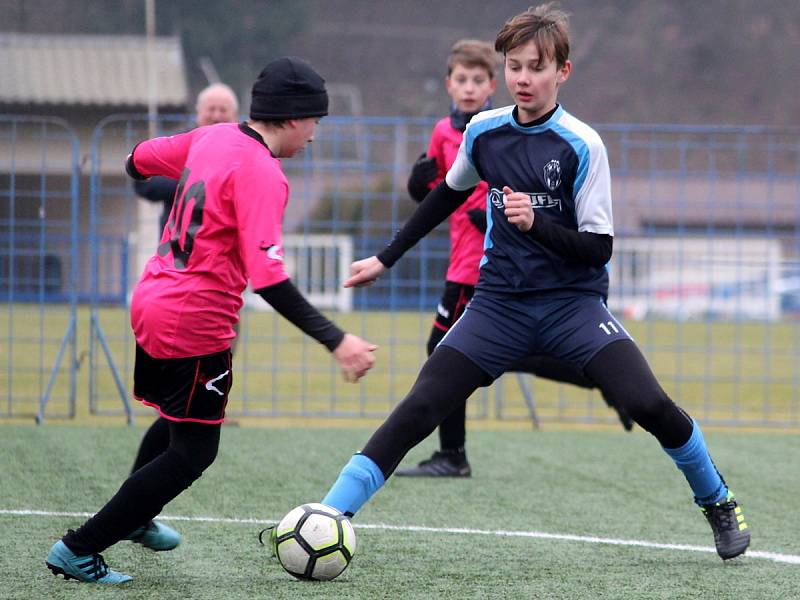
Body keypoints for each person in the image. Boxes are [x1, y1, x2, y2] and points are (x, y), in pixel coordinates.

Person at [316, 4, 750, 562]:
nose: (523, 78)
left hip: (573, 305)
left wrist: (535, 223)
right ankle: (329, 513)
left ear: (562, 72)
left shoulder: (582, 145)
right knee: (420, 405)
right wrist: (386, 258)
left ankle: (717, 499)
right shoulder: (484, 132)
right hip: (498, 305)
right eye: (514, 66)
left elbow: (600, 248)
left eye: (536, 67)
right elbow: (445, 195)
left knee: (647, 402)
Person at [45, 56, 378, 584]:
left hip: (153, 298)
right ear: (293, 118)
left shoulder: (214, 137)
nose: (315, 135)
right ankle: (78, 547)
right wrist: (337, 341)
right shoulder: (265, 173)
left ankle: (137, 517)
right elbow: (269, 280)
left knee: (179, 419)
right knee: (196, 450)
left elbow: (137, 161)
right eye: (316, 121)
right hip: (195, 319)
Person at [397, 39, 631, 478]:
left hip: (489, 266)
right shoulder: (449, 133)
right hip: (459, 258)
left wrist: (496, 220)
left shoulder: (505, 132)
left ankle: (454, 454)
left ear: (491, 88)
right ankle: (596, 377)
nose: (468, 88)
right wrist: (415, 184)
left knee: (445, 351)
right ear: (448, 84)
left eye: (478, 80)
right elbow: (441, 194)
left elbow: (508, 199)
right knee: (468, 352)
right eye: (461, 80)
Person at [134, 82, 240, 233]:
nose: (217, 116)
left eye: (223, 110)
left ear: (235, 116)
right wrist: (197, 182)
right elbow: (144, 183)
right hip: (178, 242)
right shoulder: (177, 142)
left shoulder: (244, 151)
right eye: (211, 109)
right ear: (198, 111)